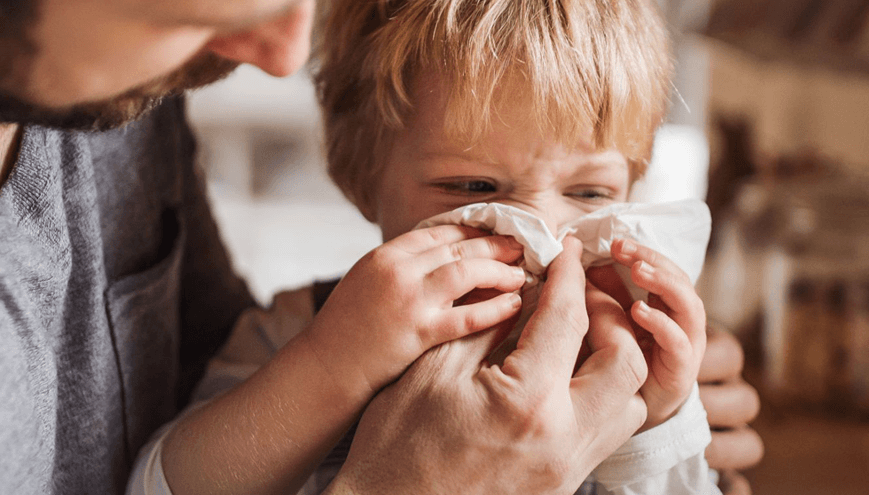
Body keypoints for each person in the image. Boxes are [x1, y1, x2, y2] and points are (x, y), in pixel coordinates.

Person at [0, 0, 762, 494]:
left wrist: (655, 423)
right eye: (472, 189)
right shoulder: (303, 330)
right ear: (362, 179)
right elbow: (157, 486)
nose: (543, 240)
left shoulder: (613, 344)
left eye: (591, 196)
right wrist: (331, 364)